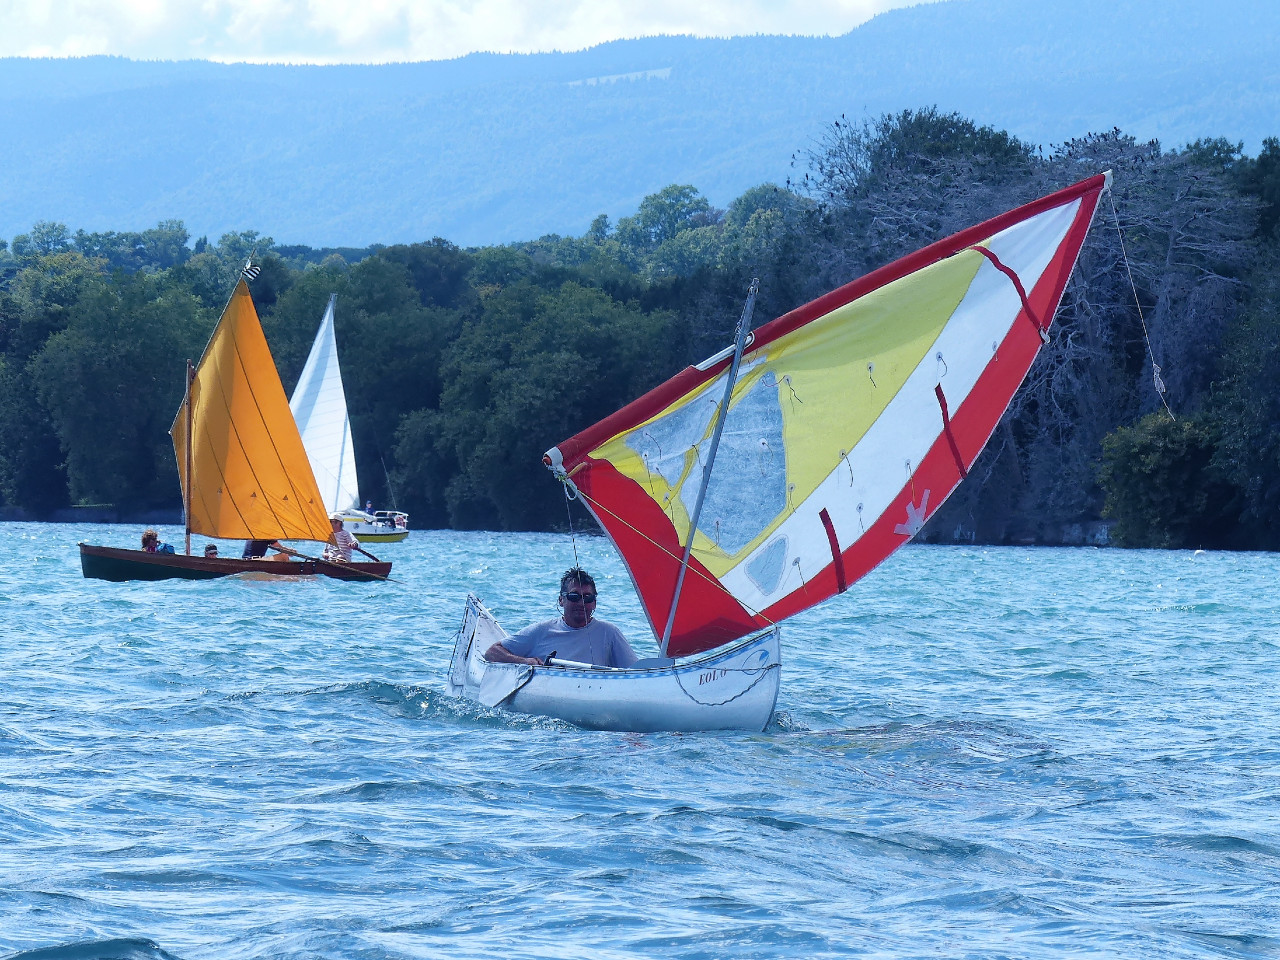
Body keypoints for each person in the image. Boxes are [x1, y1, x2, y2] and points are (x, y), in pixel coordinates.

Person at [485, 567, 638, 668]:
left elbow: (635, 672)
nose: (581, 603)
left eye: (588, 598)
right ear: (561, 600)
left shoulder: (610, 633)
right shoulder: (541, 630)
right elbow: (492, 653)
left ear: (595, 602)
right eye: (574, 596)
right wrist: (525, 662)